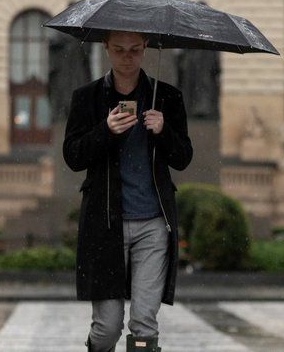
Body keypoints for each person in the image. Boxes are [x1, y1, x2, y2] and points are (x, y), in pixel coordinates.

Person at [64, 30, 193, 352]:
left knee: (144, 324)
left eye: (135, 49)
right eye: (119, 49)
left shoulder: (166, 96)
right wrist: (105, 131)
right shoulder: (87, 97)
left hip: (153, 223)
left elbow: (183, 158)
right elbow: (73, 157)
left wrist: (163, 132)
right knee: (107, 329)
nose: (127, 57)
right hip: (105, 224)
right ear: (106, 48)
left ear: (145, 48)